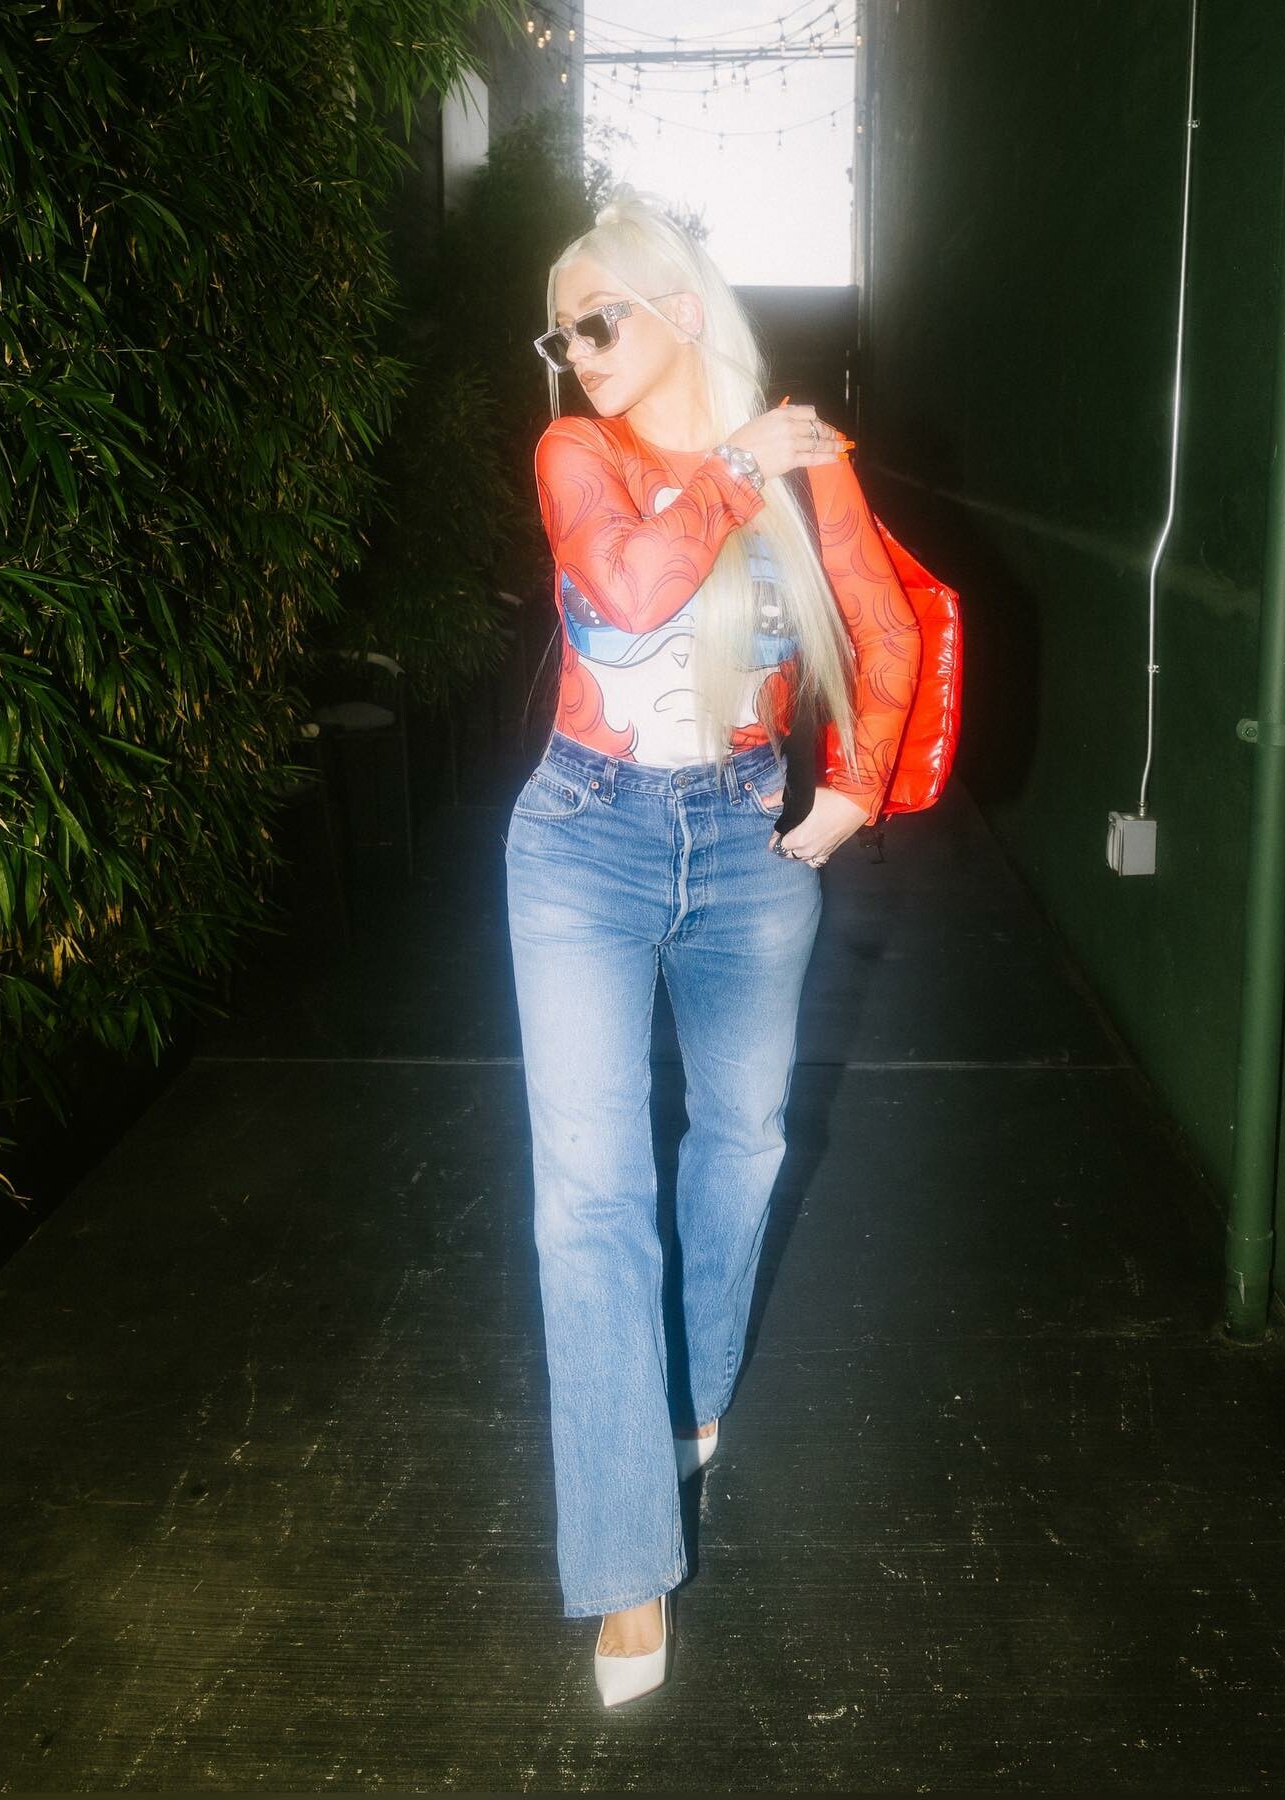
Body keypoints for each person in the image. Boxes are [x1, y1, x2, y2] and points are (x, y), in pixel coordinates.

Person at [504, 186, 921, 1707]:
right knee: (590, 1200)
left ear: (676, 309)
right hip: (584, 841)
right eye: (560, 334)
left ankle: (688, 1398)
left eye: (596, 319)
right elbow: (628, 586)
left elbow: (887, 630)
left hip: (749, 843)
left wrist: (855, 785)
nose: (576, 350)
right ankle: (627, 1567)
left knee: (742, 1144)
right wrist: (741, 465)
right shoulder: (579, 454)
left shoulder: (805, 467)